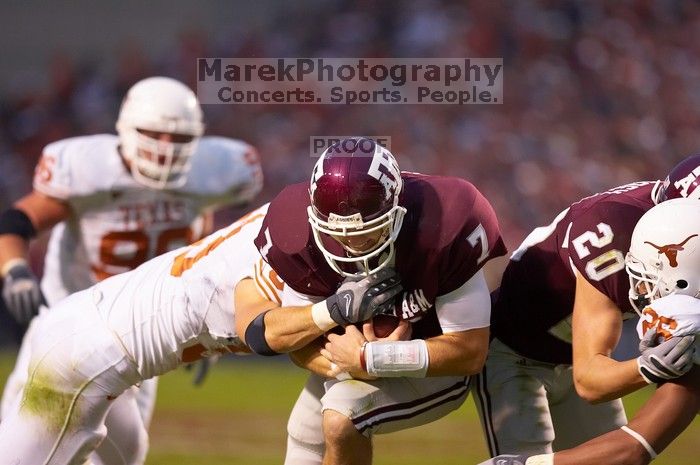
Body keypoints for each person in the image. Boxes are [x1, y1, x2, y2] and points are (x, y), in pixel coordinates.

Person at [0, 76, 263, 464]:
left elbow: (202, 238)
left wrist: (208, 323)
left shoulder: (214, 173)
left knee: (119, 453)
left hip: (142, 326)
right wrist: (15, 268)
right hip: (68, 318)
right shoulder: (88, 170)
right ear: (126, 130)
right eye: (154, 135)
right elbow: (20, 219)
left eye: (179, 139)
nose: (165, 149)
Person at [233, 137, 507, 465]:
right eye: (339, 234)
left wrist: (373, 359)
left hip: (434, 365)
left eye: (367, 231)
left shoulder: (446, 220)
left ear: (396, 209)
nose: (353, 243)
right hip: (351, 356)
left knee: (341, 417)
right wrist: (348, 357)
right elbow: (297, 346)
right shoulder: (296, 234)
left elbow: (470, 352)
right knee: (304, 430)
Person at [472, 155, 700, 457]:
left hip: (570, 352)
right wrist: (648, 366)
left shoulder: (669, 222)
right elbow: (590, 379)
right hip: (514, 352)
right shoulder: (611, 235)